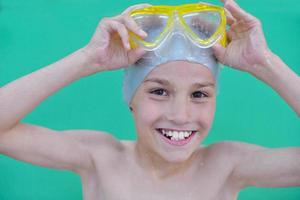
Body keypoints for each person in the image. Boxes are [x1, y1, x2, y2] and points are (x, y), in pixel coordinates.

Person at [0, 0, 299, 200]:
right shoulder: (99, 158)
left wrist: (265, 64)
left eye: (199, 94)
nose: (180, 114)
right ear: (131, 98)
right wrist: (86, 60)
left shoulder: (227, 166)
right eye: (159, 91)